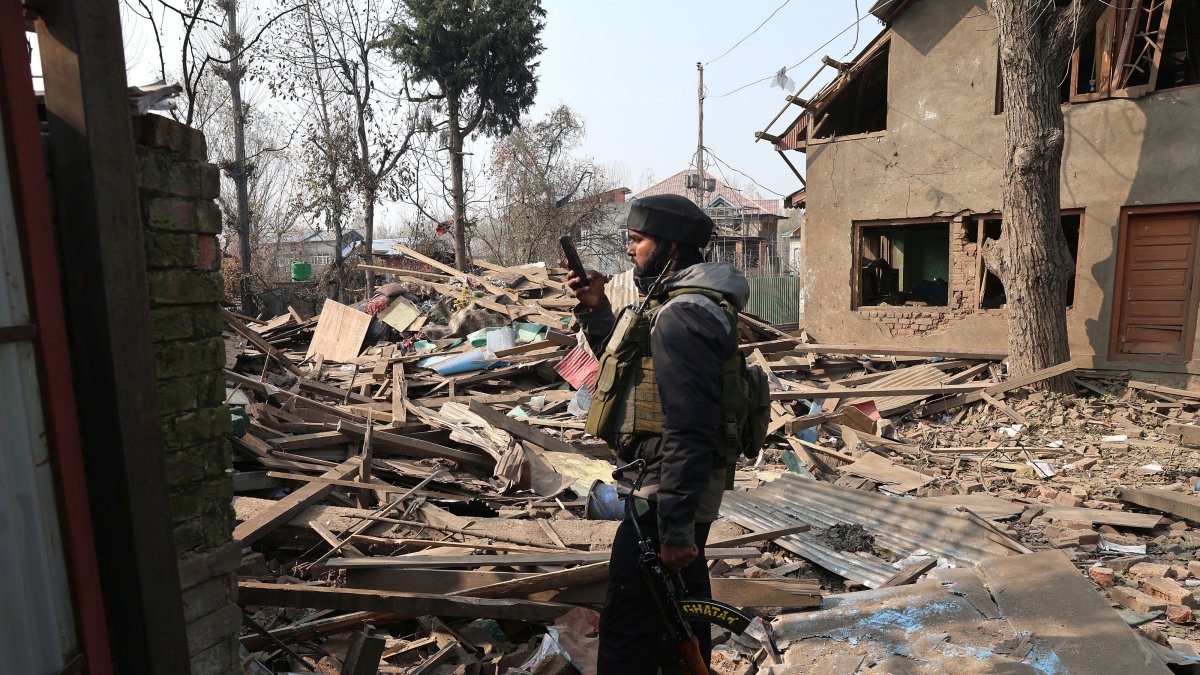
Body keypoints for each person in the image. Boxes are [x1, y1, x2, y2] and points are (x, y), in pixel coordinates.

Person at [566, 194, 750, 674]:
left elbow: (690, 424)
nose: (629, 251)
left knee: (629, 630)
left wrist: (675, 528)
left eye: (637, 240)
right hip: (667, 489)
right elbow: (634, 375)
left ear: (670, 248)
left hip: (663, 494)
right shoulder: (679, 305)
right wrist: (596, 310)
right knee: (679, 623)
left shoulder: (682, 314)